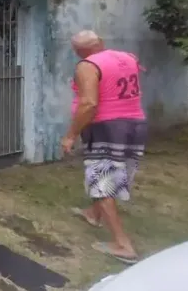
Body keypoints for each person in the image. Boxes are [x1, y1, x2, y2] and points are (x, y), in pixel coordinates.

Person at [60, 30, 147, 264]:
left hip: (107, 128)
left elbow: (89, 104)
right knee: (112, 175)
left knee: (101, 180)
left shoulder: (87, 66)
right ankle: (93, 214)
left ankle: (122, 244)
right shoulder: (128, 57)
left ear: (78, 52)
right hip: (135, 123)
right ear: (101, 42)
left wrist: (71, 135)